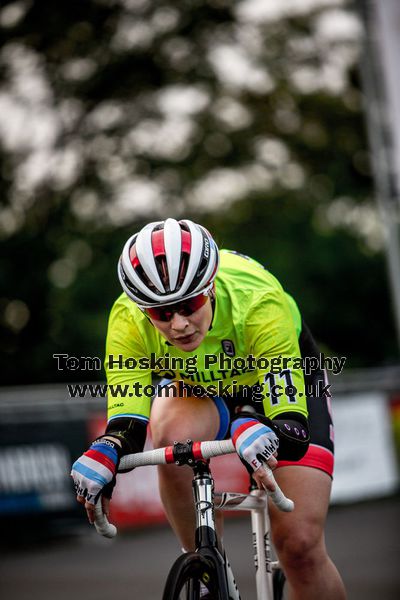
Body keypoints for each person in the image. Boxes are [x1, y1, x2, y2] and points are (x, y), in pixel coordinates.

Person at [71, 218, 346, 600]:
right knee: (168, 436)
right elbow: (128, 421)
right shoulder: (128, 318)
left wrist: (255, 420)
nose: (179, 324)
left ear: (210, 286)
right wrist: (108, 448)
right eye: (162, 314)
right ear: (143, 309)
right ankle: (205, 572)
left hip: (278, 389)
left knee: (299, 546)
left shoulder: (259, 302)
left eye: (189, 305)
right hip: (200, 388)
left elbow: (291, 429)